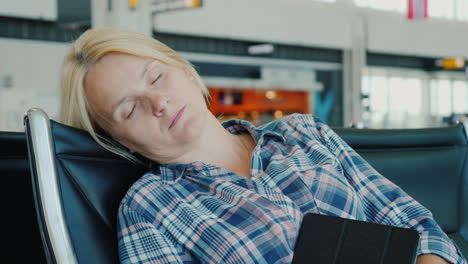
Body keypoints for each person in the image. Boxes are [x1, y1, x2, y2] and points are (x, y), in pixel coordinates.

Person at [59, 28, 466, 264]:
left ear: (184, 70)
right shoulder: (149, 207)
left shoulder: (303, 133)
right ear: (117, 139)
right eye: (130, 109)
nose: (159, 104)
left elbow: (416, 223)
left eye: (156, 77)